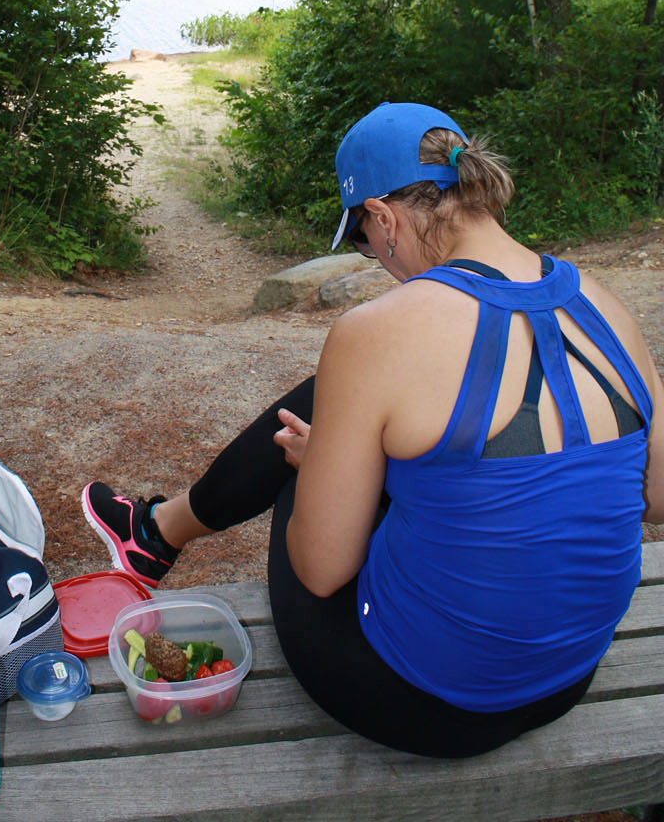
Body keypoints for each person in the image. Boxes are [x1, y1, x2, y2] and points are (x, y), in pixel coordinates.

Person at [82, 100, 664, 758]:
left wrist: (327, 464)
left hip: (420, 703)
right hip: (564, 680)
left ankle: (155, 533)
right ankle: (157, 530)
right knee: (349, 416)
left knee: (314, 458)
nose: (372, 256)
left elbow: (324, 571)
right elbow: (658, 497)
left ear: (384, 218)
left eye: (361, 239)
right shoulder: (607, 306)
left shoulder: (379, 332)